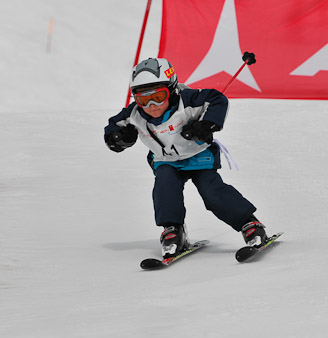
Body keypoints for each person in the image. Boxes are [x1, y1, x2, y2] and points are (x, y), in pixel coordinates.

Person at [104, 57, 270, 259]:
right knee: (165, 188)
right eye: (144, 100)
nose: (152, 105)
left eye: (158, 96)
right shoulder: (135, 114)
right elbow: (114, 126)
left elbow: (217, 99)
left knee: (212, 192)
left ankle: (250, 224)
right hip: (166, 161)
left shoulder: (188, 100)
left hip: (198, 157)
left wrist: (207, 124)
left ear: (172, 89)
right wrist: (118, 138)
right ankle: (173, 230)